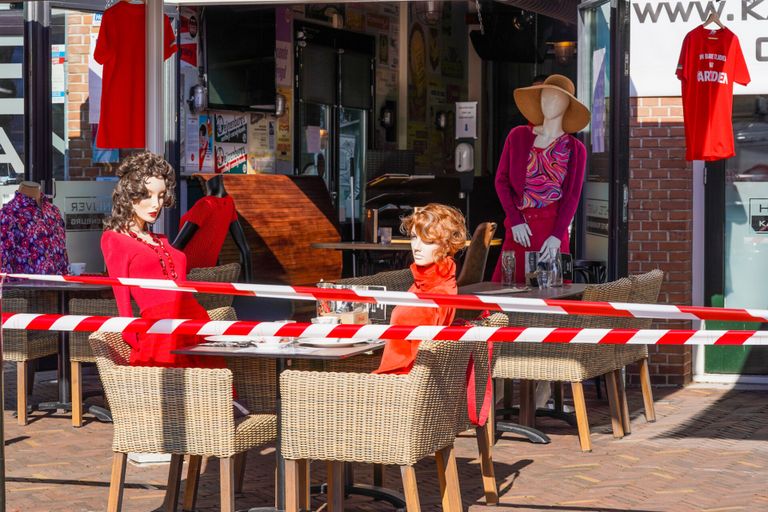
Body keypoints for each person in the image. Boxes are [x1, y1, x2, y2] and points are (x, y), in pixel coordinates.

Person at [101, 152, 219, 368]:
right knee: (179, 393)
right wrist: (136, 339)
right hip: (161, 331)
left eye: (161, 195)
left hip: (195, 325)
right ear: (130, 194)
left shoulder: (160, 239)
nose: (156, 204)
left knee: (212, 392)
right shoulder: (114, 239)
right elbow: (123, 302)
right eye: (147, 195)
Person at [492, 74, 590, 284]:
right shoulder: (518, 136)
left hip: (551, 231)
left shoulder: (575, 149)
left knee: (551, 293)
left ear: (566, 105)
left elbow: (572, 196)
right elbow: (501, 181)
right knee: (507, 287)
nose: (548, 102)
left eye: (556, 98)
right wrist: (515, 220)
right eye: (545, 96)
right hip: (520, 228)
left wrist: (557, 234)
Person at [374, 203, 467, 375]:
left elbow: (420, 363)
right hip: (398, 380)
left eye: (428, 241)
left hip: (398, 384)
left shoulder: (436, 293)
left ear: (446, 245)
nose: (417, 247)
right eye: (414, 237)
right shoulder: (426, 283)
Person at [172, 174, 252, 281]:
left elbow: (178, 245)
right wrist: (249, 286)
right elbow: (245, 248)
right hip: (207, 275)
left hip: (187, 274)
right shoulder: (229, 204)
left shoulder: (205, 204)